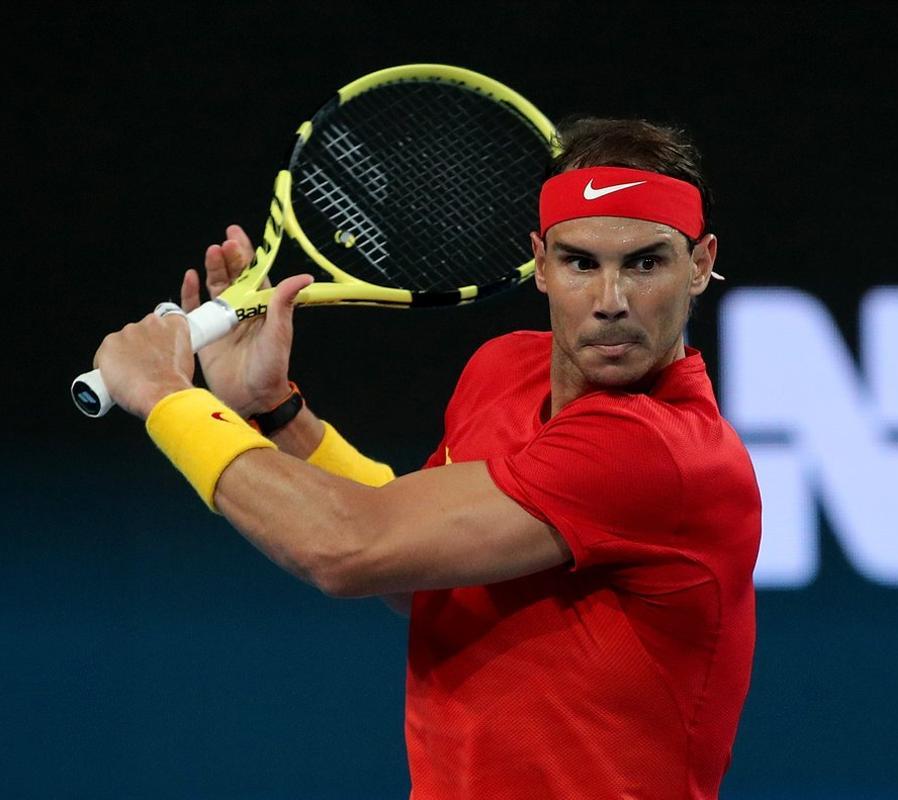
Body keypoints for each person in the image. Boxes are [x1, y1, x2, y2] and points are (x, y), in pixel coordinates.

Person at [94, 117, 761, 799]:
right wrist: (273, 412)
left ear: (701, 263)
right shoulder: (501, 369)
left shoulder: (660, 452)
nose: (611, 301)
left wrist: (163, 394)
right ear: (540, 259)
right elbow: (419, 578)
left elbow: (347, 548)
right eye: (580, 262)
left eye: (645, 263)